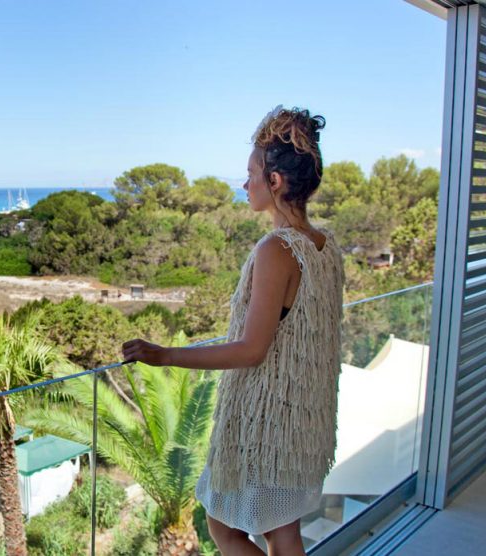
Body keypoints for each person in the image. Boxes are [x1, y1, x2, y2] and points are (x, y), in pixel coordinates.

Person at [122, 107, 341, 556]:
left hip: (268, 421)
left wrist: (165, 355)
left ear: (275, 181)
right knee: (282, 531)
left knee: (222, 527)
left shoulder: (277, 249)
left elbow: (251, 350)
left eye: (251, 174)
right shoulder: (325, 246)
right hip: (305, 414)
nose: (246, 185)